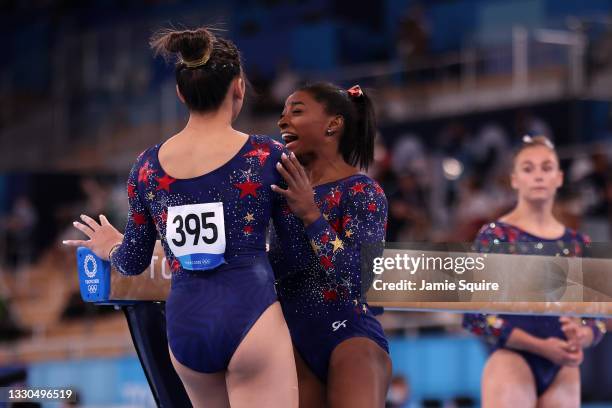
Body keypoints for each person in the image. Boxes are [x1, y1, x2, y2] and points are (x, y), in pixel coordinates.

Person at [63, 27, 297, 408]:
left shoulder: (146, 167)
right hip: (250, 313)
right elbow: (291, 250)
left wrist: (111, 248)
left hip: (187, 324)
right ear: (239, 87)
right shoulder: (266, 156)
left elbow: (133, 262)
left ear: (180, 93)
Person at [271, 82, 392, 407]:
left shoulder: (362, 191)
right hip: (290, 342)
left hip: (350, 337)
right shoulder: (277, 195)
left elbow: (360, 279)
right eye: (282, 114)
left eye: (296, 111)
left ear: (333, 124)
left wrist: (311, 214)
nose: (283, 121)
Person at [463, 135, 607, 408]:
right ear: (514, 179)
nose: (538, 176)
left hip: (563, 367)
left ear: (559, 177)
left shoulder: (579, 244)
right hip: (512, 358)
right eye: (528, 169)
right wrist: (540, 346)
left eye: (546, 168)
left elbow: (599, 315)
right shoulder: (496, 236)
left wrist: (584, 335)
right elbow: (475, 315)